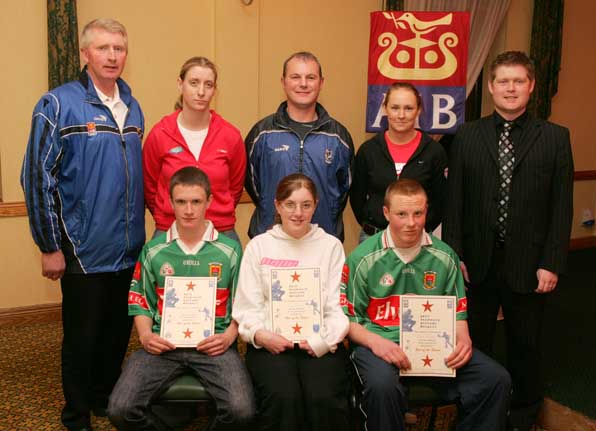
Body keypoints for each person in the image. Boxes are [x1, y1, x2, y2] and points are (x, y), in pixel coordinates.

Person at [20, 19, 145, 431]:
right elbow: (36, 177)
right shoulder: (57, 105)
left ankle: (101, 398)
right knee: (81, 340)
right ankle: (75, 415)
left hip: (128, 249)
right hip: (81, 250)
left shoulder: (133, 106)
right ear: (84, 54)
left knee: (115, 336)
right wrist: (48, 244)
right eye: (104, 48)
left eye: (119, 49)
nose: (112, 56)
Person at [443, 51, 574, 430]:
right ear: (491, 86)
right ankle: (476, 411)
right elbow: (456, 204)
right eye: (503, 81)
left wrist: (552, 261)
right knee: (474, 343)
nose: (511, 88)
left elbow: (561, 206)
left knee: (526, 345)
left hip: (531, 264)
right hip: (476, 261)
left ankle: (522, 417)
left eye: (519, 81)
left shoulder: (555, 138)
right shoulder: (467, 135)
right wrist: (454, 257)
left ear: (531, 86)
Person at [343, 178, 511, 431]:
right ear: (386, 213)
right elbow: (349, 321)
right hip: (379, 345)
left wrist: (463, 340)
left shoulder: (445, 257)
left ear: (427, 211)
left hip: (433, 345)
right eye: (402, 214)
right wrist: (378, 344)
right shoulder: (362, 258)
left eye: (418, 213)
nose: (411, 223)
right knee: (382, 386)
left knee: (496, 379)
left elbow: (458, 314)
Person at [107, 167, 254, 430]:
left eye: (196, 201)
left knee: (241, 411)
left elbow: (244, 304)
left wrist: (230, 336)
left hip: (214, 346)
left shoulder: (230, 251)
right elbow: (140, 298)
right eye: (181, 202)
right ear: (170, 202)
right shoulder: (154, 250)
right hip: (163, 345)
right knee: (120, 409)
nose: (189, 210)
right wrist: (145, 336)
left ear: (209, 202)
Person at [233, 173, 350, 431]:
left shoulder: (330, 247)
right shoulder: (259, 247)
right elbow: (247, 306)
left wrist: (322, 342)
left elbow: (338, 307)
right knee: (284, 398)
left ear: (316, 205)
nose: (298, 213)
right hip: (271, 344)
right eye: (290, 204)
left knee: (323, 397)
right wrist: (261, 336)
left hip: (319, 344)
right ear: (277, 206)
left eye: (306, 205)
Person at [245, 51, 354, 241]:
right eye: (295, 77)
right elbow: (252, 184)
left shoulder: (338, 137)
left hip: (323, 240)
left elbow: (344, 189)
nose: (303, 84)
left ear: (321, 82)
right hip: (271, 238)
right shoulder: (262, 133)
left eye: (310, 77)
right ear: (283, 81)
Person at [143, 56, 246, 242]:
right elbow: (150, 187)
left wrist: (216, 212)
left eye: (208, 85)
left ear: (215, 90)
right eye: (194, 83)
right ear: (180, 84)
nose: (201, 91)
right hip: (170, 231)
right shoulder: (160, 134)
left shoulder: (230, 136)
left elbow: (235, 187)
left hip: (220, 233)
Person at [350, 82, 446, 241]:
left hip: (418, 239)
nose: (401, 115)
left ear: (419, 110)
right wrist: (373, 223)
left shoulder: (434, 152)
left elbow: (440, 201)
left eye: (408, 108)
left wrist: (419, 228)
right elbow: (357, 198)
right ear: (384, 109)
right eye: (395, 108)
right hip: (373, 238)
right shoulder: (368, 150)